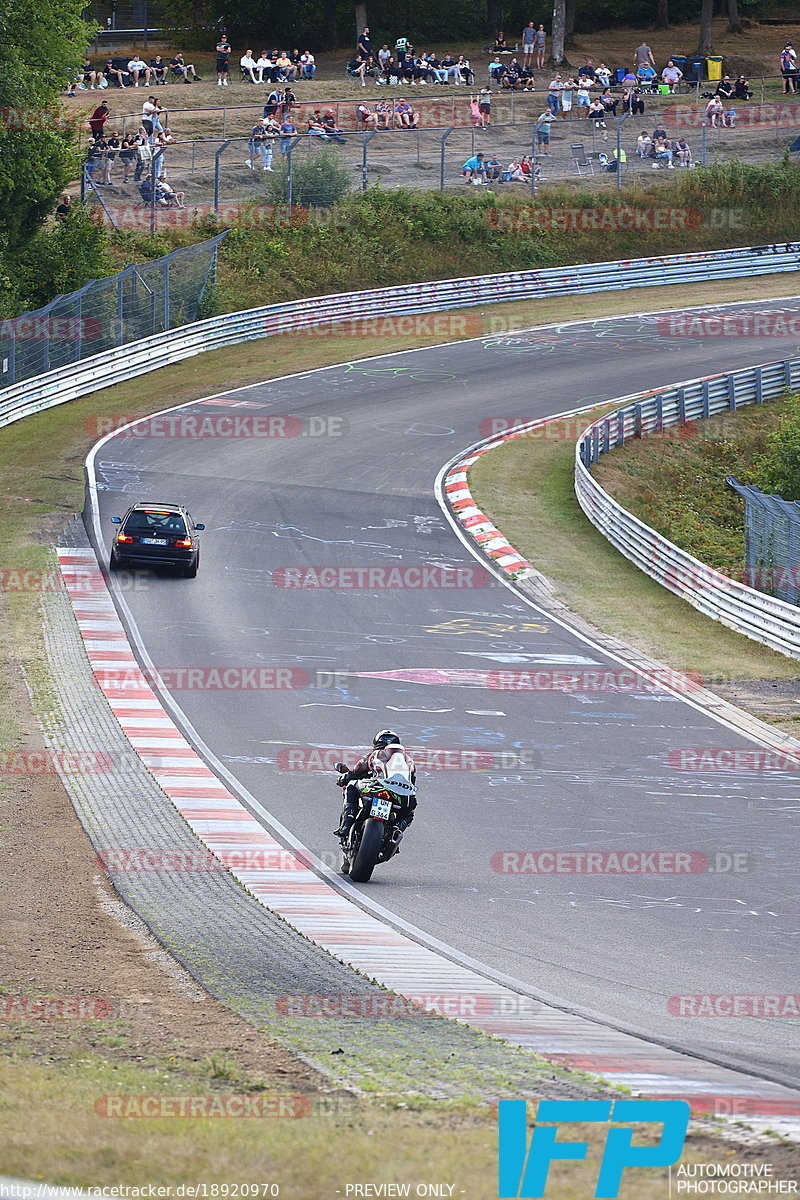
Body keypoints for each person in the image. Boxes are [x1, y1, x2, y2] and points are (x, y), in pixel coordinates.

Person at [334, 731, 417, 844]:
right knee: (409, 812)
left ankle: (346, 825)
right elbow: (412, 782)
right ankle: (396, 831)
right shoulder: (408, 761)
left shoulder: (376, 755)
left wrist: (343, 779)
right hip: (402, 795)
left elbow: (356, 772)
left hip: (377, 788)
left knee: (351, 786)